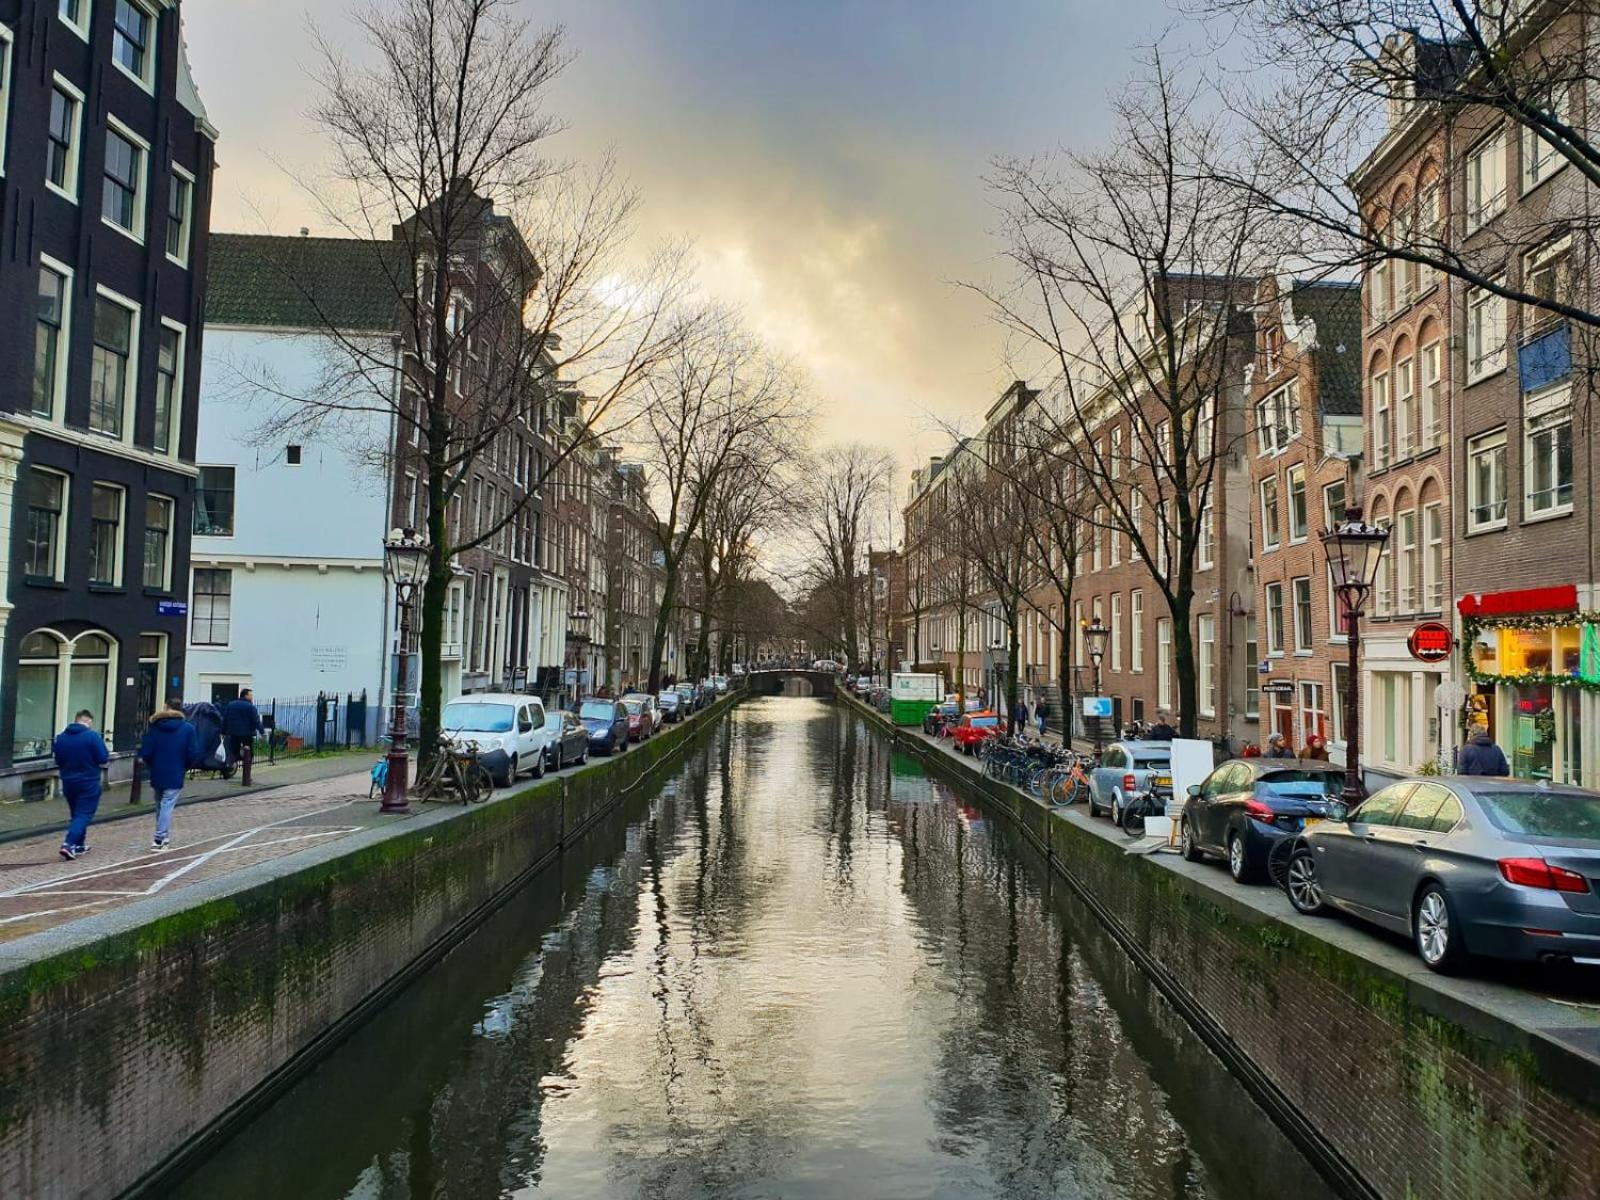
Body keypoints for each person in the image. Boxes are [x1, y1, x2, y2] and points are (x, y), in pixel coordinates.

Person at [139, 704, 200, 851]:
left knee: (160, 804)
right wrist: (184, 766)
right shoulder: (187, 729)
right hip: (176, 771)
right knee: (167, 805)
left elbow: (145, 752)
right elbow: (192, 753)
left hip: (157, 772)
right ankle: (159, 838)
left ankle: (164, 837)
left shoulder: (154, 728)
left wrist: (152, 765)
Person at [53, 710, 109, 861]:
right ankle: (68, 844)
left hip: (68, 781)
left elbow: (58, 760)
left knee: (76, 813)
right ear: (88, 722)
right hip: (88, 780)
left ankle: (79, 844)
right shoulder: (92, 736)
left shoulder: (61, 738)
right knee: (84, 814)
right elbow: (103, 757)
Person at [222, 688, 263, 785]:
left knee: (232, 752)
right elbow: (256, 720)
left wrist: (223, 731)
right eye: (250, 695)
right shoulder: (250, 707)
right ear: (246, 695)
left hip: (233, 733)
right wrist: (261, 731)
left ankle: (228, 769)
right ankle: (247, 775)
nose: (252, 697)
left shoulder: (231, 705)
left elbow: (225, 718)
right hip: (247, 734)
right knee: (249, 754)